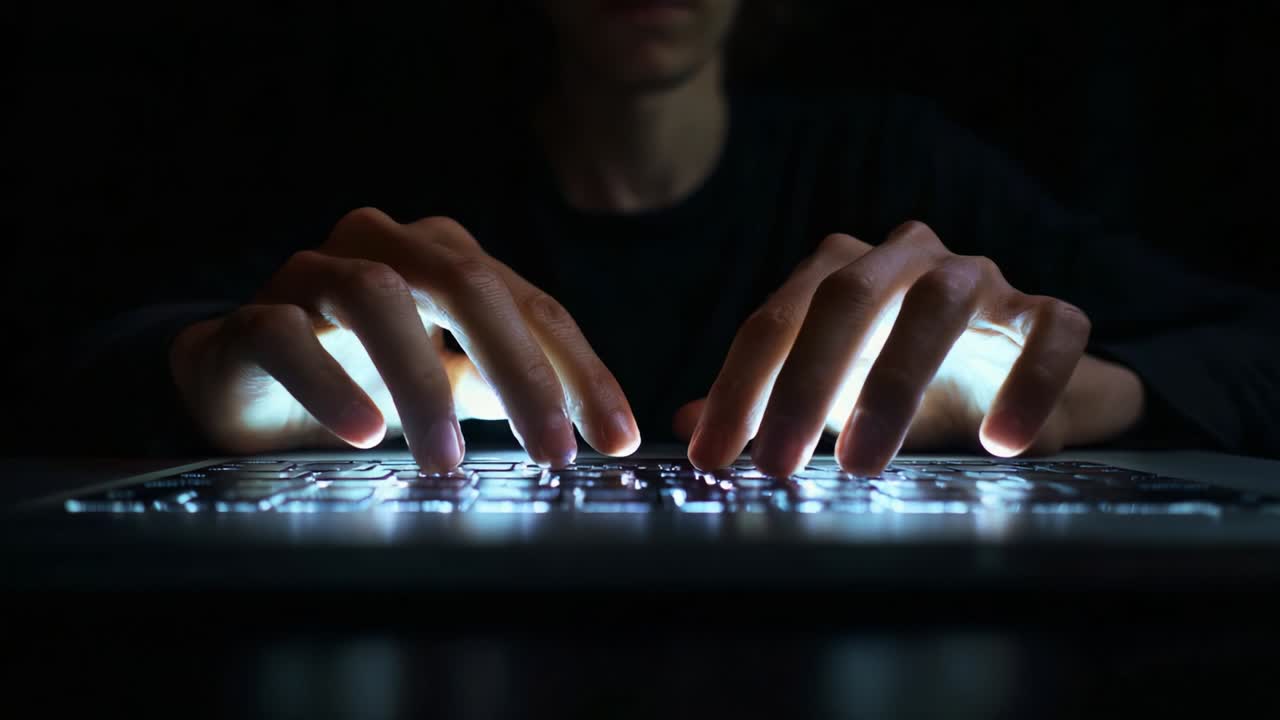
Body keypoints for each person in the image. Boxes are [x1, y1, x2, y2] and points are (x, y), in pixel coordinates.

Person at [14, 0, 1279, 474]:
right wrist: (200, 375)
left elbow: (1255, 342)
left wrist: (1071, 403)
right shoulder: (401, 170)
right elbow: (71, 349)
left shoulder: (897, 163)